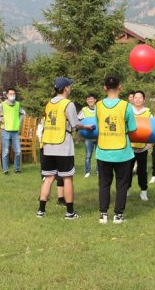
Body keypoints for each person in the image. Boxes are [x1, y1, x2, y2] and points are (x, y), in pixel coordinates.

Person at [36, 77, 93, 219]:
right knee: (67, 178)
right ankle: (70, 213)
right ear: (66, 88)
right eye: (69, 86)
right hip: (63, 145)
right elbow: (75, 124)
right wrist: (87, 126)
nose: (70, 88)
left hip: (48, 144)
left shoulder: (49, 103)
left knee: (48, 177)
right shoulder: (68, 104)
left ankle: (41, 211)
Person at [95, 75, 136, 224]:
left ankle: (103, 214)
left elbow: (98, 127)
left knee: (104, 183)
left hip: (103, 151)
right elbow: (132, 128)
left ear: (105, 87)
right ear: (120, 87)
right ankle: (118, 215)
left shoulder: (98, 105)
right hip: (122, 153)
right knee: (122, 184)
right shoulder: (126, 106)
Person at [0, 87, 26, 175]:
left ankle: (16, 168)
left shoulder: (17, 104)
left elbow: (23, 113)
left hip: (15, 130)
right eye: (11, 94)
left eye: (14, 94)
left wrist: (19, 121)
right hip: (5, 130)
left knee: (18, 151)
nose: (12, 95)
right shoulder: (3, 104)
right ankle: (5, 170)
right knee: (5, 151)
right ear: (7, 95)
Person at [128, 90, 152, 201]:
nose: (137, 99)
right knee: (127, 171)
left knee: (142, 171)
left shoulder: (148, 113)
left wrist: (149, 144)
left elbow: (152, 130)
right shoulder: (128, 111)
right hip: (128, 148)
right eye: (135, 97)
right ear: (133, 99)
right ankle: (126, 189)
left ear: (144, 99)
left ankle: (143, 191)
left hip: (142, 148)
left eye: (140, 97)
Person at [78, 93, 98, 178]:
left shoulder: (99, 109)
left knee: (99, 155)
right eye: (88, 99)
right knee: (88, 155)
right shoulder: (84, 110)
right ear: (87, 101)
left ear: (95, 100)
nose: (90, 100)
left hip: (99, 137)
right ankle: (87, 171)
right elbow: (77, 120)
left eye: (91, 99)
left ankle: (98, 171)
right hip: (88, 137)